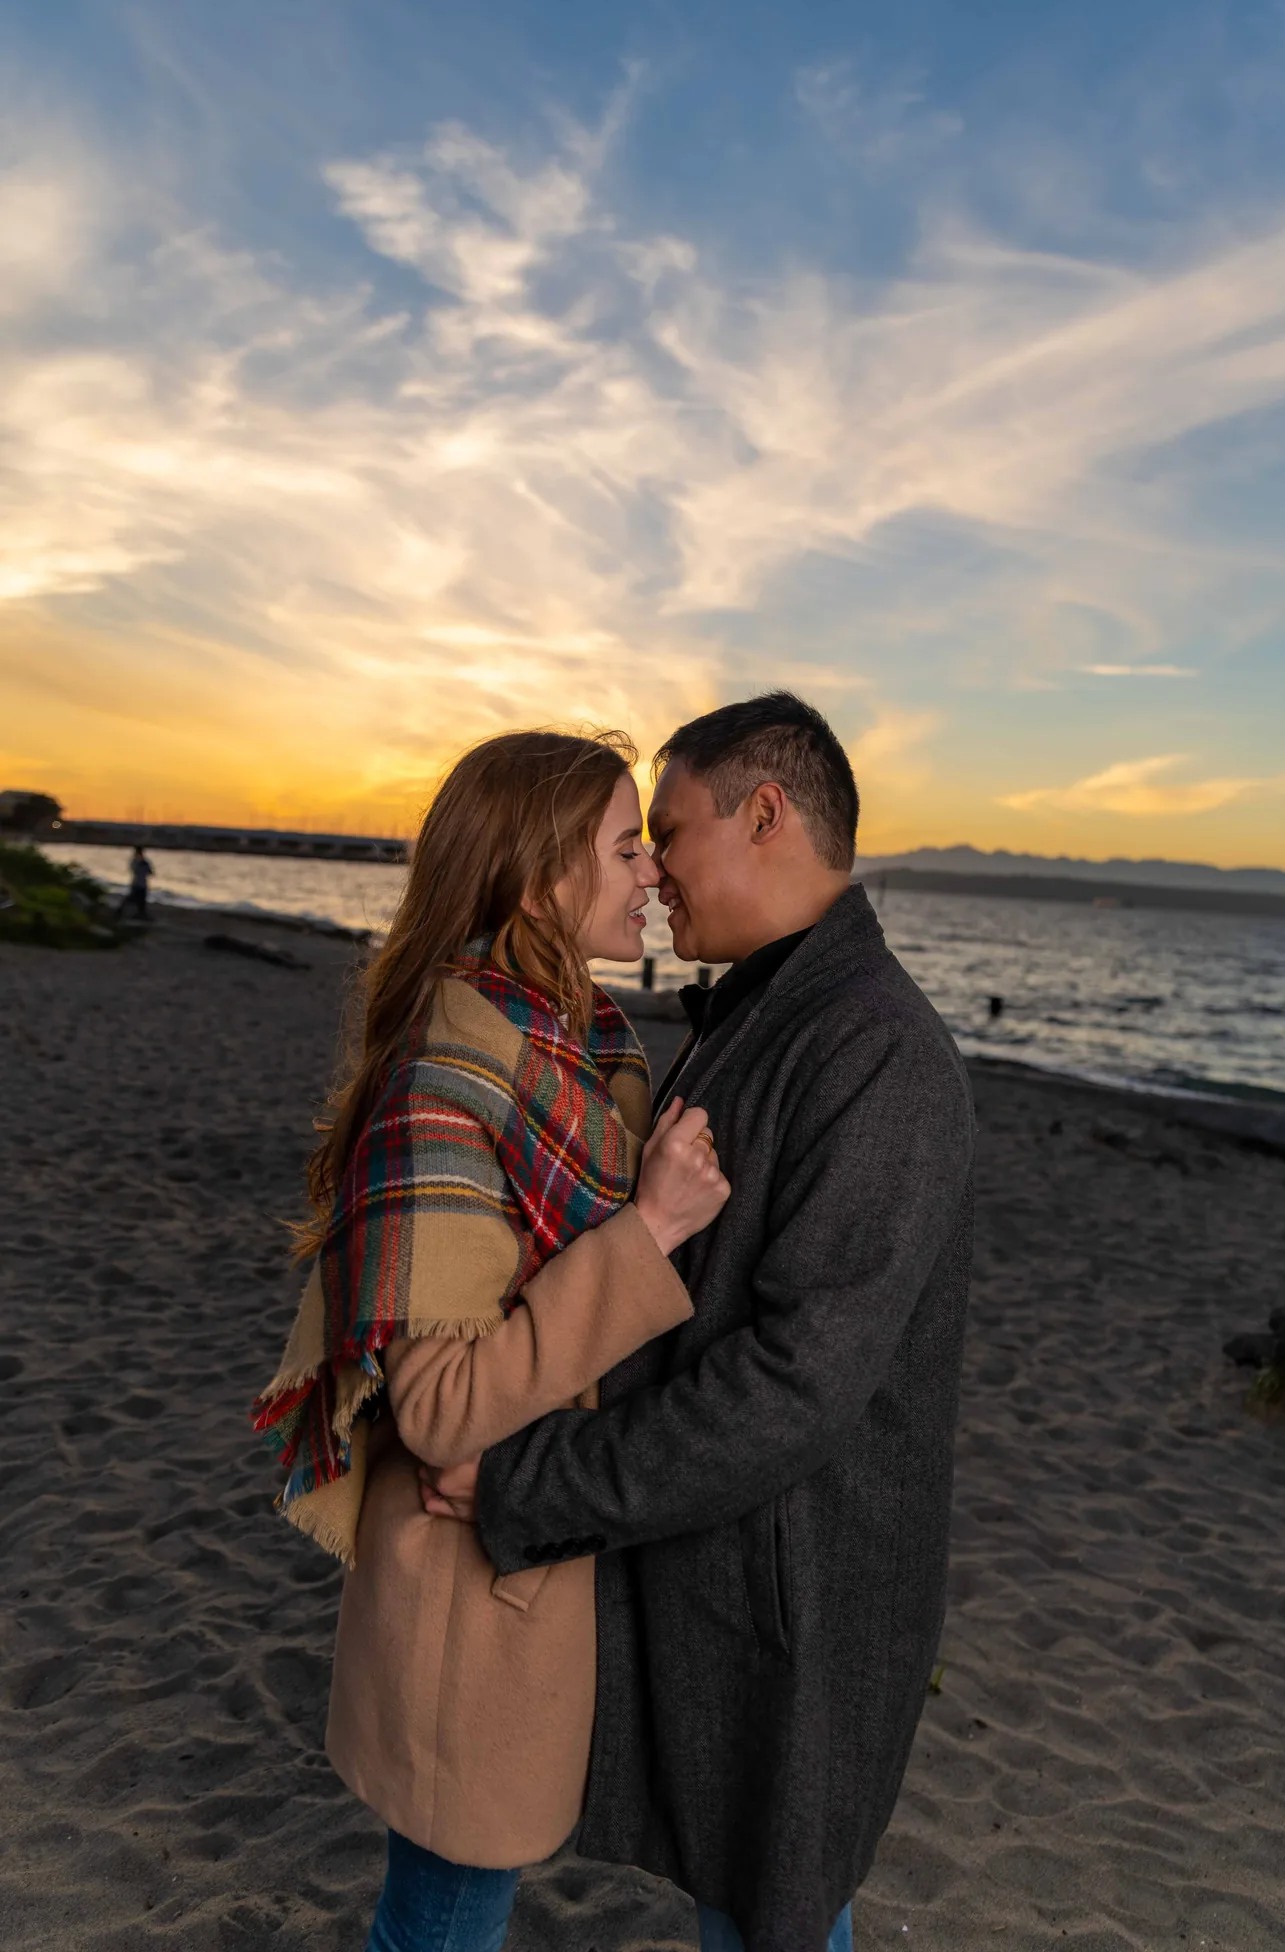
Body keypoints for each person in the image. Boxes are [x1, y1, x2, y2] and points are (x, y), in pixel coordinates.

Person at [422, 693, 976, 1952]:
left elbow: (795, 1384)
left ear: (764, 813)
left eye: (666, 829)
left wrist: (533, 1477)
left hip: (800, 1605)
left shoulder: (877, 1054)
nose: (654, 868)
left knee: (775, 1916)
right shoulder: (767, 1014)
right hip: (725, 1572)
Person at [252, 728, 730, 1952]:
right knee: (441, 1919)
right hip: (470, 1600)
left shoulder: (579, 1051)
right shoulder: (450, 1079)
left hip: (539, 1551)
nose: (650, 874)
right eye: (625, 846)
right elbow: (442, 1405)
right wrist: (651, 1232)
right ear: (534, 882)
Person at [119, 844, 153, 920]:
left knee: (141, 901)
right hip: (137, 883)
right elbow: (134, 870)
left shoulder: (145, 862)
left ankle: (141, 914)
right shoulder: (135, 862)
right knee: (131, 898)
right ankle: (120, 911)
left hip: (142, 884)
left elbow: (150, 872)